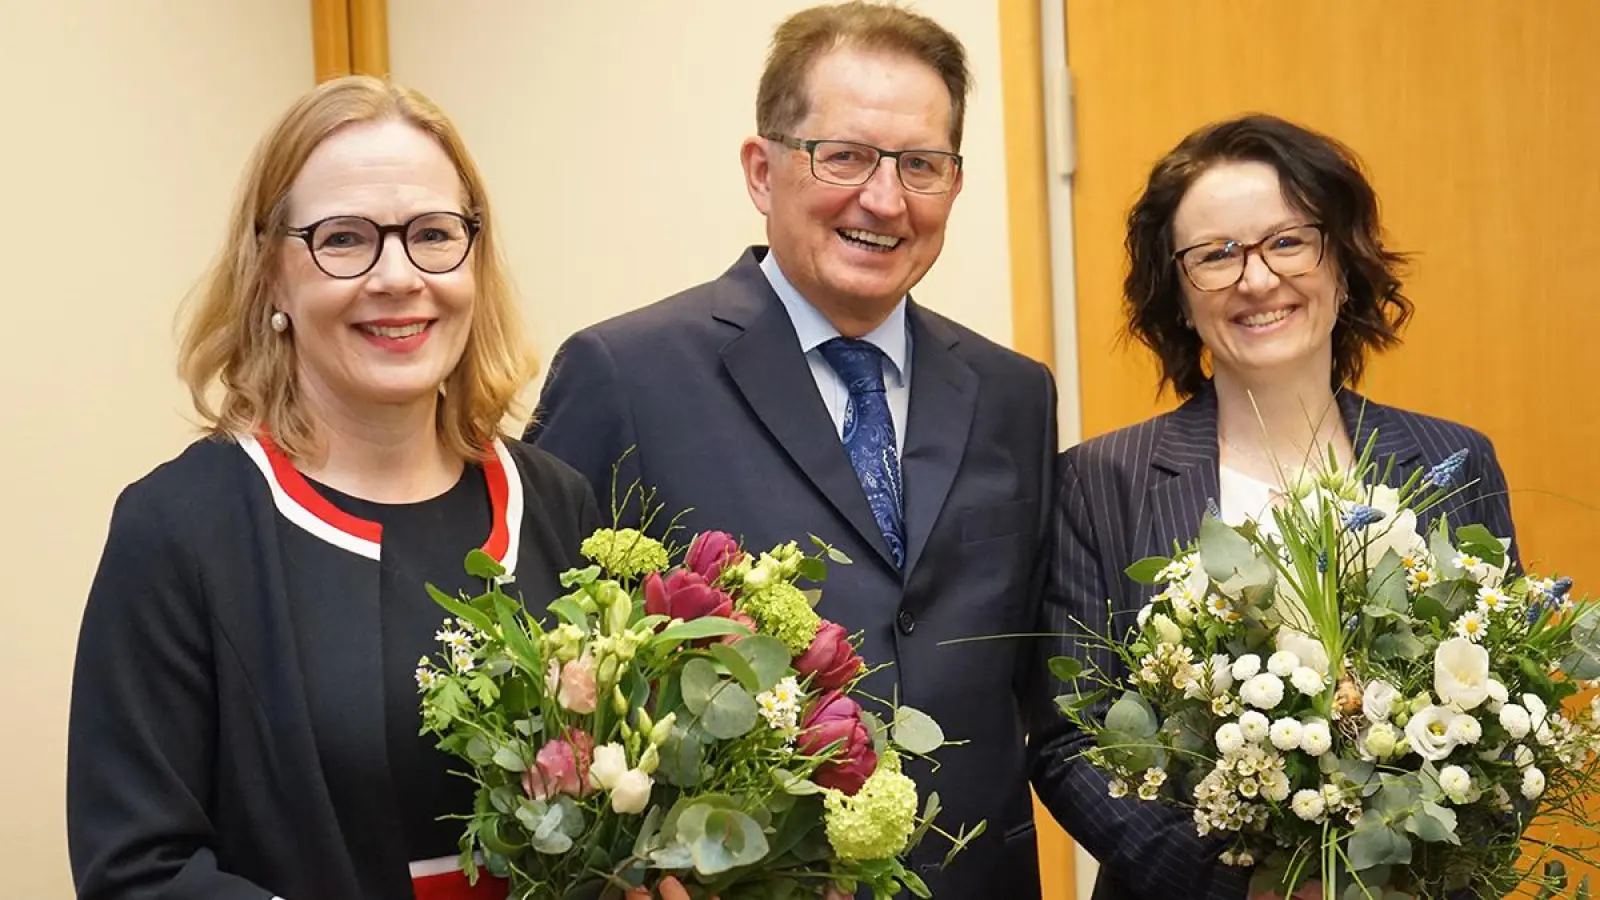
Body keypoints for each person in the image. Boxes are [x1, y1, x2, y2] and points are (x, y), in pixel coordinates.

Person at [526, 2, 1057, 896]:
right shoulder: (624, 374)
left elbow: (1032, 678)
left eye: (921, 165)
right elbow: (551, 676)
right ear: (761, 170)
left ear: (954, 185)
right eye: (844, 156)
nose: (884, 200)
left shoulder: (1014, 393)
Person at [65, 75, 599, 900]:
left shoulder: (558, 506)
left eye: (432, 233)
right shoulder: (181, 531)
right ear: (272, 274)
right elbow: (138, 871)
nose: (397, 276)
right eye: (345, 239)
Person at [1033, 113, 1518, 900]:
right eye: (1215, 256)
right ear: (1179, 296)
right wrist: (1250, 887)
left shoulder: (1451, 462)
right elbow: (1067, 741)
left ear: (1343, 263)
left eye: (1287, 241)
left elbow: (1509, 711)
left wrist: (1411, 860)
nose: (1256, 280)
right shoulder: (1100, 479)